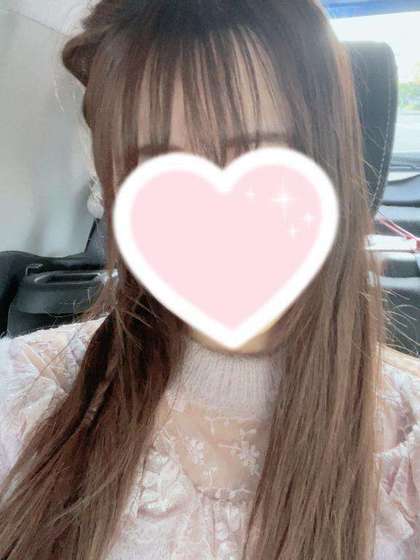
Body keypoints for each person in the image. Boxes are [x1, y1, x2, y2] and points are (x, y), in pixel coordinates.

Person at [0, 1, 419, 559]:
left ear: (330, 168)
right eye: (155, 165)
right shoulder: (21, 394)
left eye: (259, 152)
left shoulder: (405, 444)